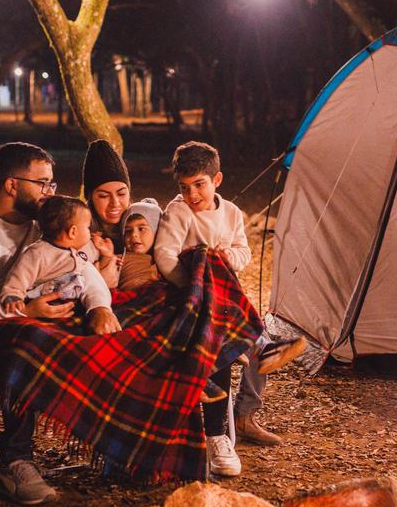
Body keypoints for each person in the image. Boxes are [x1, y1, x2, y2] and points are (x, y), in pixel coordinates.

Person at [0, 142, 121, 506]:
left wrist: (99, 307)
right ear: (11, 185)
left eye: (52, 184)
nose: (50, 192)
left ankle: (117, 443)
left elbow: (83, 270)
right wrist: (23, 313)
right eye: (42, 183)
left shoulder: (46, 228)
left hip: (36, 323)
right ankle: (15, 461)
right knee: (30, 337)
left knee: (112, 321)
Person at [153, 141, 304, 476]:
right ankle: (259, 348)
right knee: (207, 264)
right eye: (184, 187)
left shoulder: (232, 213)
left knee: (220, 270)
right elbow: (165, 255)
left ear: (216, 179)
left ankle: (245, 410)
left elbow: (243, 252)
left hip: (221, 296)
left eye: (199, 185)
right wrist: (195, 286)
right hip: (188, 296)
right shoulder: (179, 212)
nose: (192, 195)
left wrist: (226, 257)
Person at [0, 195, 111, 316]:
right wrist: (13, 295)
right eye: (88, 228)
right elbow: (20, 275)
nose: (90, 232)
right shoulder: (38, 254)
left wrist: (107, 255)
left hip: (71, 303)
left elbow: (95, 259)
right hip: (44, 303)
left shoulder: (79, 248)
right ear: (73, 232)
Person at [82, 139, 131, 289]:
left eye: (121, 194)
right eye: (104, 196)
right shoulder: (80, 235)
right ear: (90, 197)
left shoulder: (142, 223)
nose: (115, 203)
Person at [116, 199, 163, 292]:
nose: (134, 234)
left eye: (141, 229)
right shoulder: (120, 260)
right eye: (128, 231)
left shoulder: (166, 259)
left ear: (157, 231)